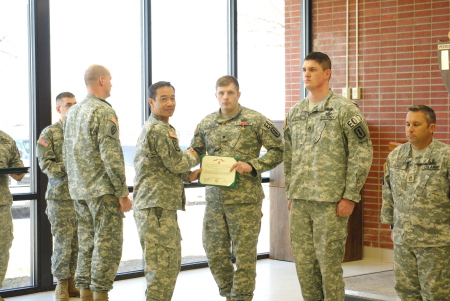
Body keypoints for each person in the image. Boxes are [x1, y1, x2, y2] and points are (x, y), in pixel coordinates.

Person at [283, 51, 373, 301]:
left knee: (329, 267)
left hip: (330, 202)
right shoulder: (296, 112)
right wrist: (291, 192)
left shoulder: (345, 109)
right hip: (301, 201)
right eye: (303, 70)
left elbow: (362, 151)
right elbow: (289, 155)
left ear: (327, 73)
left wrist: (351, 195)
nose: (306, 74)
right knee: (304, 265)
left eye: (312, 69)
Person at [190, 75, 283, 301]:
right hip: (215, 200)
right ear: (216, 95)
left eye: (230, 92)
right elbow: (194, 151)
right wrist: (187, 168)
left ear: (238, 94)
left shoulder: (256, 120)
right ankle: (228, 293)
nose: (225, 97)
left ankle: (241, 296)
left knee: (244, 255)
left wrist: (253, 165)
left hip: (245, 200)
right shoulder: (206, 122)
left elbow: (279, 150)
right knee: (214, 251)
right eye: (221, 93)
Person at [63, 64, 132, 301]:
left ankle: (85, 295)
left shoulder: (72, 112)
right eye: (110, 80)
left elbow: (68, 152)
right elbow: (111, 156)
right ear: (101, 80)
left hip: (79, 191)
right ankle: (101, 296)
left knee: (86, 245)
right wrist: (122, 193)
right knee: (107, 246)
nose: (111, 84)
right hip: (102, 191)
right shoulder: (103, 111)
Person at [133, 81, 200, 301]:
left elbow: (168, 166)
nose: (170, 103)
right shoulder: (160, 129)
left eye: (172, 98)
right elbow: (178, 163)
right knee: (163, 268)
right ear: (151, 102)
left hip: (157, 207)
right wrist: (194, 153)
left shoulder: (157, 127)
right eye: (164, 99)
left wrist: (188, 175)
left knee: (164, 266)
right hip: (156, 208)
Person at [381, 105, 450, 300]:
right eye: (407, 124)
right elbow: (388, 191)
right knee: (406, 291)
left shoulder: (445, 157)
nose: (409, 129)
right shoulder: (396, 156)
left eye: (416, 124)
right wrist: (391, 226)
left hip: (436, 242)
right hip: (404, 239)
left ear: (432, 127)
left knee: (436, 294)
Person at [37, 92, 79, 301]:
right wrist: (70, 168)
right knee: (63, 242)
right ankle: (61, 284)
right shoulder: (50, 133)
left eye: (75, 104)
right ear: (59, 109)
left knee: (78, 243)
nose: (72, 107)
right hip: (60, 198)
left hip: (81, 197)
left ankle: (73, 281)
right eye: (68, 104)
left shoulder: (82, 131)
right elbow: (46, 165)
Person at [0, 131, 25, 301]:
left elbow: (17, 164)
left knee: (2, 246)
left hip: (1, 203)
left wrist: (18, 172)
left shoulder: (5, 139)